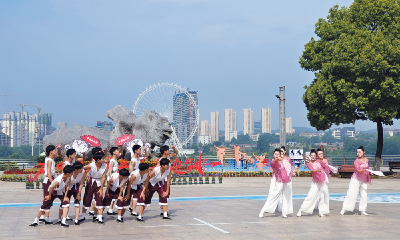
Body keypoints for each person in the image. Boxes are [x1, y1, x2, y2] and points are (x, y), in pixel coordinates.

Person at [259, 149, 293, 218]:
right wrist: (279, 159)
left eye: (278, 154)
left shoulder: (285, 161)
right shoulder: (273, 162)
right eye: (275, 154)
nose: (277, 155)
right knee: (273, 196)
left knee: (286, 197)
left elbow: (290, 168)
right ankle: (263, 210)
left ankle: (284, 212)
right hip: (279, 181)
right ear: (273, 155)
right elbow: (276, 161)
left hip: (286, 181)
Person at [297, 149, 330, 217]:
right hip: (315, 182)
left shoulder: (318, 161)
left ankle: (321, 211)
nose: (313, 157)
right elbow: (312, 171)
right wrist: (317, 170)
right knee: (311, 196)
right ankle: (301, 209)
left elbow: (325, 167)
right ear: (310, 156)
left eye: (314, 155)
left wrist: (325, 163)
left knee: (323, 196)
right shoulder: (309, 164)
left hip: (323, 181)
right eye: (312, 155)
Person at [340, 146, 372, 216]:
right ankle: (344, 208)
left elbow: (367, 168)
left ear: (363, 152)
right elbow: (358, 170)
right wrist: (364, 170)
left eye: (360, 152)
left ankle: (362, 210)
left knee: (364, 194)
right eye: (357, 152)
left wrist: (370, 172)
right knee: (351, 194)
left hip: (364, 179)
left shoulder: (366, 160)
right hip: (356, 179)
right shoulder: (356, 161)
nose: (358, 153)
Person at [81, 150, 108, 224]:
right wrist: (86, 176)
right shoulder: (91, 165)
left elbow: (103, 177)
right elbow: (82, 169)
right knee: (87, 198)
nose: (104, 160)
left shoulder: (105, 166)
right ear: (98, 160)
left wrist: (102, 188)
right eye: (102, 158)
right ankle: (82, 216)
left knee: (99, 198)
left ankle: (99, 218)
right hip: (91, 182)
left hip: (99, 183)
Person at [37, 145, 61, 224]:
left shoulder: (50, 158)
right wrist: (53, 183)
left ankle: (45, 217)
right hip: (49, 180)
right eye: (54, 150)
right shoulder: (49, 161)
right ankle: (41, 217)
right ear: (51, 152)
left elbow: (59, 155)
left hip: (50, 180)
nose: (56, 152)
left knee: (49, 198)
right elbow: (49, 173)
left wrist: (58, 149)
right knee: (47, 198)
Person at [106, 146, 121, 216]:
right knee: (112, 194)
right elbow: (110, 170)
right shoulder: (112, 161)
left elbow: (121, 153)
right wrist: (110, 178)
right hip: (113, 179)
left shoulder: (115, 159)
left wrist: (121, 146)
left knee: (114, 195)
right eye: (117, 150)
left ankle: (110, 209)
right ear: (114, 152)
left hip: (115, 178)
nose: (118, 151)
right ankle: (109, 208)